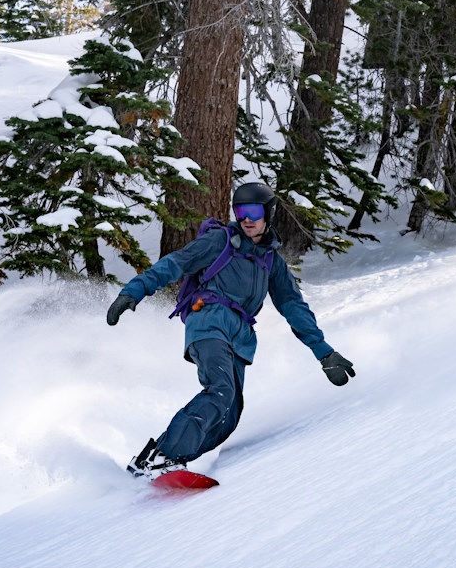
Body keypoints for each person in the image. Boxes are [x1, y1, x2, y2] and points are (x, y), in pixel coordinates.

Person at [106, 181, 355, 476]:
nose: (246, 218)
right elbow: (176, 263)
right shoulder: (219, 241)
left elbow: (293, 307)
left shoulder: (271, 262)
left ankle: (155, 460)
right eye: (240, 211)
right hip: (208, 322)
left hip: (239, 339)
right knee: (220, 391)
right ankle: (164, 457)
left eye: (253, 211)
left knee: (229, 415)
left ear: (268, 213)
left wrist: (324, 353)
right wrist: (133, 292)